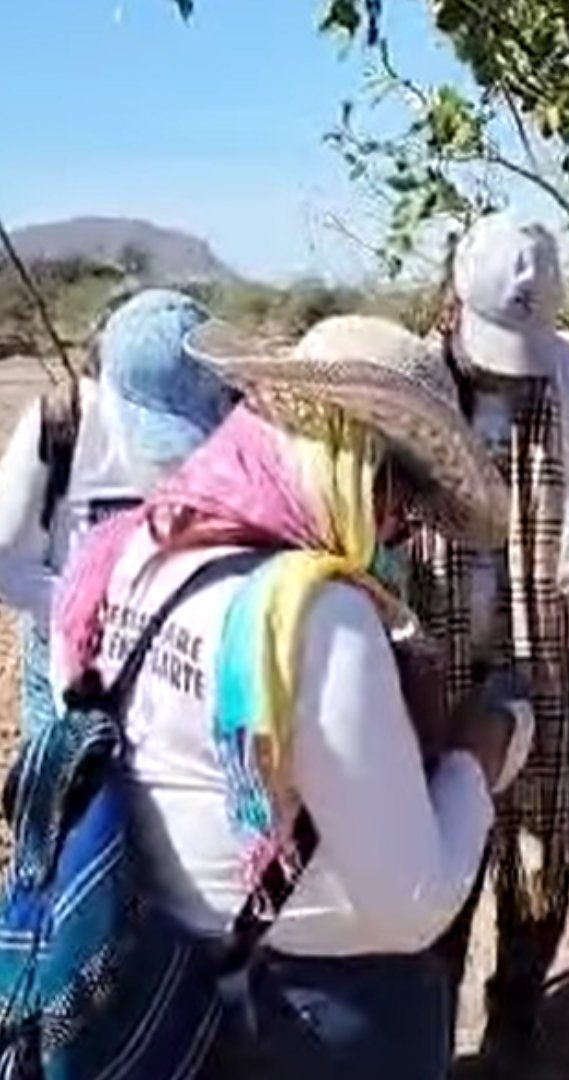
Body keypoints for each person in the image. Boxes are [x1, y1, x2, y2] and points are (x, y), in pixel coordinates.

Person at [48, 315, 528, 1077]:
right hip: (313, 1014)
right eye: (400, 492)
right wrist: (478, 756)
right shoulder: (319, 618)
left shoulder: (127, 554)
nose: (399, 525)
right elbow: (414, 902)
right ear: (353, 462)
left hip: (158, 988)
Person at [419, 213, 569, 1071]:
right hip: (443, 662)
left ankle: (515, 1018)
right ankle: (429, 1026)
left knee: (543, 848)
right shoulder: (414, 382)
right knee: (445, 848)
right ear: (451, 303)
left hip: (568, 660)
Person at [0, 288, 233, 737]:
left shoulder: (212, 424)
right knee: (70, 798)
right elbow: (6, 557)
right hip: (69, 662)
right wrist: (86, 607)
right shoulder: (59, 422)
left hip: (173, 657)